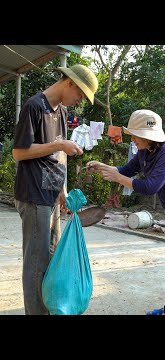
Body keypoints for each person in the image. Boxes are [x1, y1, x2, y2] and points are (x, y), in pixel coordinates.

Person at [87, 109, 165, 315]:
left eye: (135, 135)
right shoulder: (145, 152)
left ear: (147, 136)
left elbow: (149, 187)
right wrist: (103, 167)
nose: (133, 139)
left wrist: (117, 178)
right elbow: (125, 170)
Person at [12, 64, 98, 314]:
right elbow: (19, 152)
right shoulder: (34, 106)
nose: (79, 100)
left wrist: (63, 188)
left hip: (52, 193)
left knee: (51, 256)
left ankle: (49, 307)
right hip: (33, 194)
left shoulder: (60, 112)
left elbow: (60, 153)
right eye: (80, 94)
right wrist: (56, 144)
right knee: (36, 263)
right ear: (69, 83)